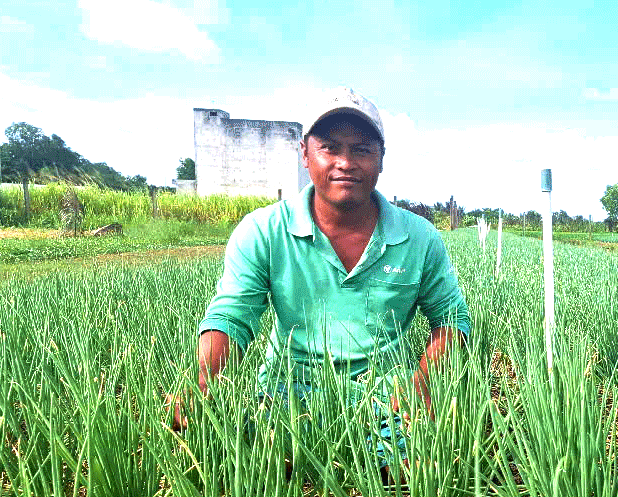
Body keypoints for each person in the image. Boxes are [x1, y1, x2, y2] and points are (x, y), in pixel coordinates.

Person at [171, 87, 470, 465]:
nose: (346, 162)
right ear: (305, 154)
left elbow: (451, 317)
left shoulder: (419, 237)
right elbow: (232, 316)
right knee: (250, 465)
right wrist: (203, 384)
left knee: (417, 470)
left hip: (386, 396)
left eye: (361, 149)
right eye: (330, 147)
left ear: (381, 159)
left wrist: (423, 383)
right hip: (286, 393)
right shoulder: (264, 230)